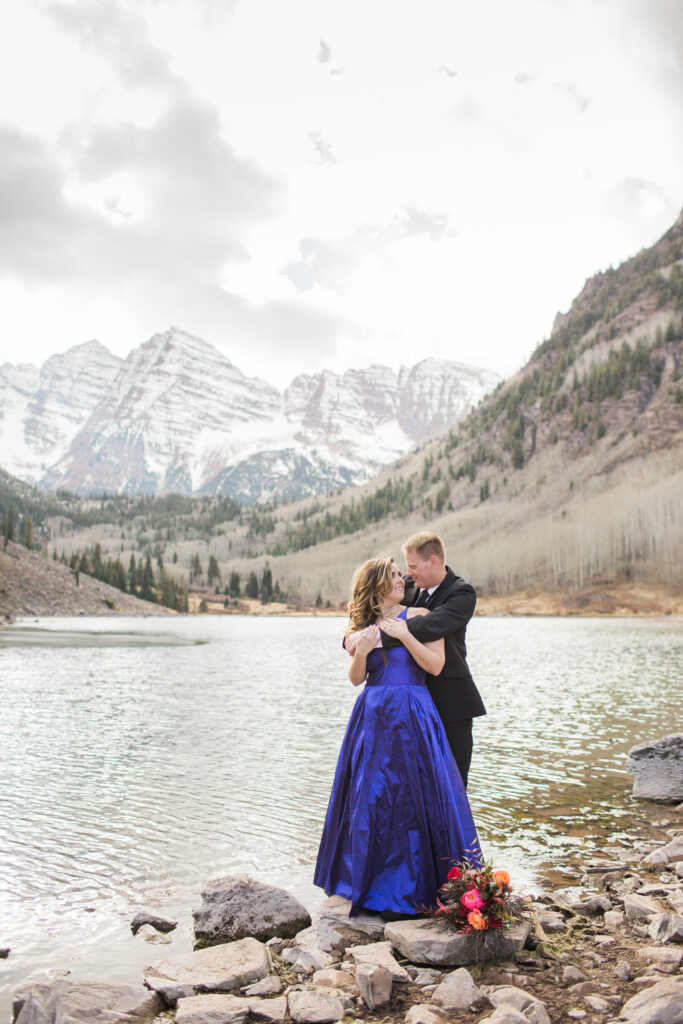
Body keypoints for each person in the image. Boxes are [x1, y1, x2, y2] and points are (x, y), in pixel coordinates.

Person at [314, 555, 482, 919]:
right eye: (392, 576)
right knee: (372, 798)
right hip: (372, 716)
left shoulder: (420, 617)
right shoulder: (359, 628)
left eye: (400, 573)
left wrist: (405, 635)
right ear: (375, 586)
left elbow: (435, 665)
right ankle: (370, 883)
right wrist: (363, 650)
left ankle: (419, 885)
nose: (401, 579)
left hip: (414, 711)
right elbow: (356, 678)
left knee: (415, 797)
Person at [376, 531, 486, 787]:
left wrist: (380, 638)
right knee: (414, 784)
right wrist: (357, 637)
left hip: (451, 702)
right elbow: (374, 604)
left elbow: (430, 626)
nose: (408, 572)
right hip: (411, 702)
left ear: (434, 562)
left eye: (413, 566)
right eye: (406, 566)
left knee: (452, 784)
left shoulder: (462, 594)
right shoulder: (408, 589)